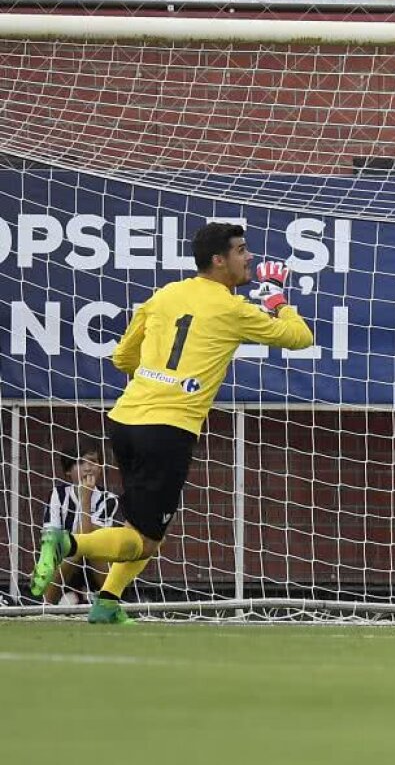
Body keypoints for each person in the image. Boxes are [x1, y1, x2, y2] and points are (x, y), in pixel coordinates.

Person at [30, 222, 314, 624]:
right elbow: (300, 337)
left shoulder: (165, 294)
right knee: (140, 542)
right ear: (219, 260)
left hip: (126, 420)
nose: (248, 257)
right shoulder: (232, 309)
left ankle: (107, 602)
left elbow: (123, 358)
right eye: (241, 250)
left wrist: (155, 376)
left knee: (149, 531)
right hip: (167, 430)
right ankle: (68, 543)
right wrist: (277, 298)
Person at [39, 442, 120, 605]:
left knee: (90, 546)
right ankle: (47, 604)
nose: (88, 468)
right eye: (80, 462)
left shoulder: (109, 500)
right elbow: (51, 540)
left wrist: (86, 499)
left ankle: (107, 602)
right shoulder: (58, 494)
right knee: (68, 550)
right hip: (66, 564)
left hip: (96, 568)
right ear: (68, 470)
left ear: (100, 468)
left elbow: (89, 539)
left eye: (93, 461)